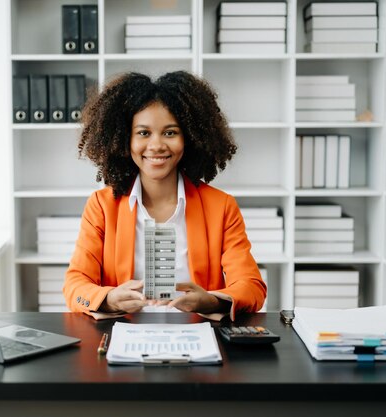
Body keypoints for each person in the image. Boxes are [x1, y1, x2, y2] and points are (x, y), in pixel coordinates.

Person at [63, 71, 266, 320]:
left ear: (189, 138)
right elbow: (75, 285)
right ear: (124, 139)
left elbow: (251, 286)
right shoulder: (103, 206)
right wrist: (109, 299)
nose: (156, 145)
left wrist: (211, 301)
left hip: (198, 337)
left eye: (170, 132)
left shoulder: (221, 206)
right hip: (123, 337)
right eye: (143, 133)